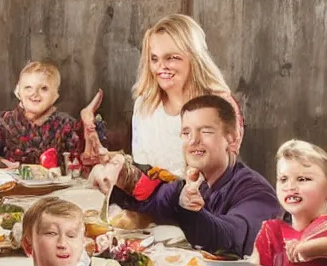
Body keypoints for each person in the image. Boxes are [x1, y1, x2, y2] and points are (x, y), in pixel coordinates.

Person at [90, 94, 281, 257]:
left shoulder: (258, 193)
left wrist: (190, 211)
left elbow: (229, 241)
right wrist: (120, 173)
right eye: (186, 132)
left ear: (231, 140)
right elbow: (152, 198)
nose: (193, 141)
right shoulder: (197, 182)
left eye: (205, 131)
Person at [131, 14, 243, 179]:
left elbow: (223, 177)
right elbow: (141, 174)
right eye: (154, 59)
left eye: (172, 58)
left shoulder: (219, 105)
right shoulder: (144, 105)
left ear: (195, 58)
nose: (161, 67)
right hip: (154, 203)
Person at [250, 140, 327, 266]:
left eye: (303, 179)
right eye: (283, 179)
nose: (290, 186)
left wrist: (304, 249)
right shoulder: (272, 230)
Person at [0, 61, 105, 171]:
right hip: (13, 190)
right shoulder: (6, 122)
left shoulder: (65, 124)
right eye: (28, 88)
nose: (34, 94)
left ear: (56, 95)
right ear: (18, 91)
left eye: (44, 89)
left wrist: (87, 124)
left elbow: (82, 155)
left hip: (54, 191)